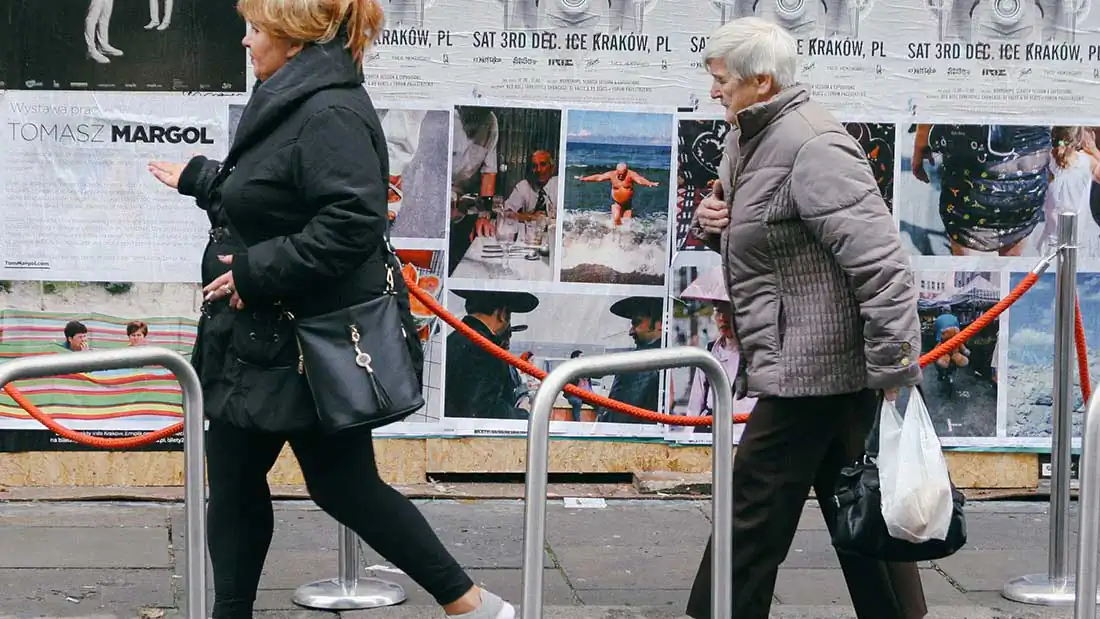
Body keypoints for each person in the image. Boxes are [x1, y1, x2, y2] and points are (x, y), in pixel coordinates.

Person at [145, 2, 515, 618]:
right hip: (259, 338)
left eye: (256, 29)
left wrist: (256, 273)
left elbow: (351, 224)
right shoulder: (293, 96)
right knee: (236, 482)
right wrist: (205, 179)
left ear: (293, 40)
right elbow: (276, 195)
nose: (245, 41)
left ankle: (471, 603)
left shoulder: (328, 111)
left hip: (299, 346)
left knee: (343, 486)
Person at [686, 17, 927, 619]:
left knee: (750, 511)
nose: (713, 91)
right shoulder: (749, 137)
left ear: (762, 81)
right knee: (861, 509)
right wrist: (714, 222)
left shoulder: (814, 145)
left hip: (812, 367)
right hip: (813, 364)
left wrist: (895, 369)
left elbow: (881, 264)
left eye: (722, 80)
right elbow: (765, 235)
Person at [445, 290, 538, 420]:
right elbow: (484, 410)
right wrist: (522, 413)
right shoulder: (489, 350)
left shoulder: (451, 340)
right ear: (502, 314)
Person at [596, 295, 663, 424]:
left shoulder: (640, 364)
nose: (631, 332)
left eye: (636, 323)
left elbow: (619, 419)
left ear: (659, 323)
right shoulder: (673, 357)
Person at [575, 162, 660, 225]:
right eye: (619, 174)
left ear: (626, 171)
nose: (620, 176)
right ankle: (613, 238)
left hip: (627, 205)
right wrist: (584, 179)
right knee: (616, 219)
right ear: (616, 170)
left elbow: (639, 180)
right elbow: (598, 177)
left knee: (626, 225)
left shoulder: (631, 174)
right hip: (616, 203)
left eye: (623, 174)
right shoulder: (612, 174)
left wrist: (649, 183)